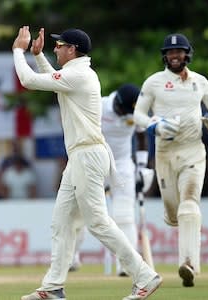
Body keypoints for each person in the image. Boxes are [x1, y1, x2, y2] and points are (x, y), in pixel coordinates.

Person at [13, 26, 161, 300]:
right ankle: (53, 287)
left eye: (59, 45)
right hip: (81, 157)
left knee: (98, 223)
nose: (55, 48)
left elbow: (29, 81)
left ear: (73, 50)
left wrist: (18, 51)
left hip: (88, 156)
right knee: (61, 223)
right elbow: (55, 79)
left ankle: (144, 276)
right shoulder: (76, 74)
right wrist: (38, 56)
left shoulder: (79, 75)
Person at [133, 33, 208, 288]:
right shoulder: (153, 83)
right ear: (165, 55)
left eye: (179, 52)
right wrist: (154, 125)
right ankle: (181, 231)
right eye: (171, 53)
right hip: (164, 154)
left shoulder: (199, 81)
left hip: (193, 151)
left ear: (187, 54)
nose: (175, 56)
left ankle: (189, 265)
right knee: (174, 215)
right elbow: (138, 114)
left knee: (189, 207)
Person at [70, 84, 153, 276]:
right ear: (117, 103)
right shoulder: (99, 106)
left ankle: (127, 265)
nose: (127, 116)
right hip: (94, 163)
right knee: (78, 214)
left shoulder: (134, 111)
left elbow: (142, 139)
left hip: (123, 165)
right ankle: (70, 258)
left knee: (124, 215)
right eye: (124, 111)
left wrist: (141, 168)